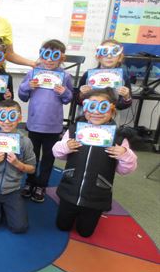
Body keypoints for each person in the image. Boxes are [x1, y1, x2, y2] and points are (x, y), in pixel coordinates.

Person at [53, 88, 137, 237]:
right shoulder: (74, 131)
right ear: (85, 109)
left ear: (112, 110)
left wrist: (125, 155)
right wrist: (65, 146)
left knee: (85, 233)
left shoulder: (118, 138)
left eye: (103, 107)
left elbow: (125, 170)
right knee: (62, 226)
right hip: (70, 190)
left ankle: (86, 217)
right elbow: (57, 154)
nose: (96, 112)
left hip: (97, 196)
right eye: (92, 106)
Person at [18, 39, 73, 203]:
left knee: (49, 157)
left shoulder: (65, 76)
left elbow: (68, 98)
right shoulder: (32, 74)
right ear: (40, 55)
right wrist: (28, 86)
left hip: (53, 127)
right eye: (45, 55)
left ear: (61, 58)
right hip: (34, 124)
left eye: (54, 56)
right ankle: (29, 182)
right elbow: (22, 96)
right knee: (31, 155)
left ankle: (42, 185)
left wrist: (64, 92)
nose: (49, 60)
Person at [0, 100, 36, 233]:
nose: (7, 121)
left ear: (19, 118)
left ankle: (5, 207)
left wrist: (18, 164)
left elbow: (32, 168)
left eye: (12, 116)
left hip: (12, 189)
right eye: (3, 116)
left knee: (20, 227)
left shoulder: (25, 142)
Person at [77, 39, 132, 110]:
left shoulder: (123, 76)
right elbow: (78, 101)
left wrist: (126, 97)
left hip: (111, 114)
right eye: (105, 52)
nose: (109, 56)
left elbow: (123, 105)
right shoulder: (88, 75)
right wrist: (81, 95)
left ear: (120, 57)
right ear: (98, 57)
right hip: (89, 114)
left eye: (114, 52)